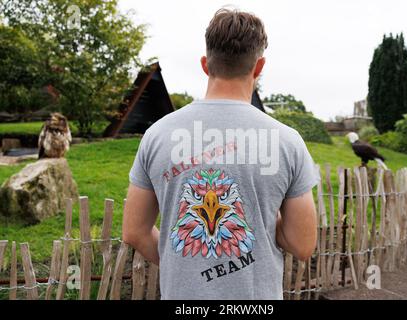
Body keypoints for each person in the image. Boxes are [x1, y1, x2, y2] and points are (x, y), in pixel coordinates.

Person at [122, 8, 318, 300]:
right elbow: (302, 244)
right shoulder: (288, 142)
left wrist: (185, 265)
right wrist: (260, 216)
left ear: (205, 64)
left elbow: (134, 231)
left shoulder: (157, 135)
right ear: (259, 67)